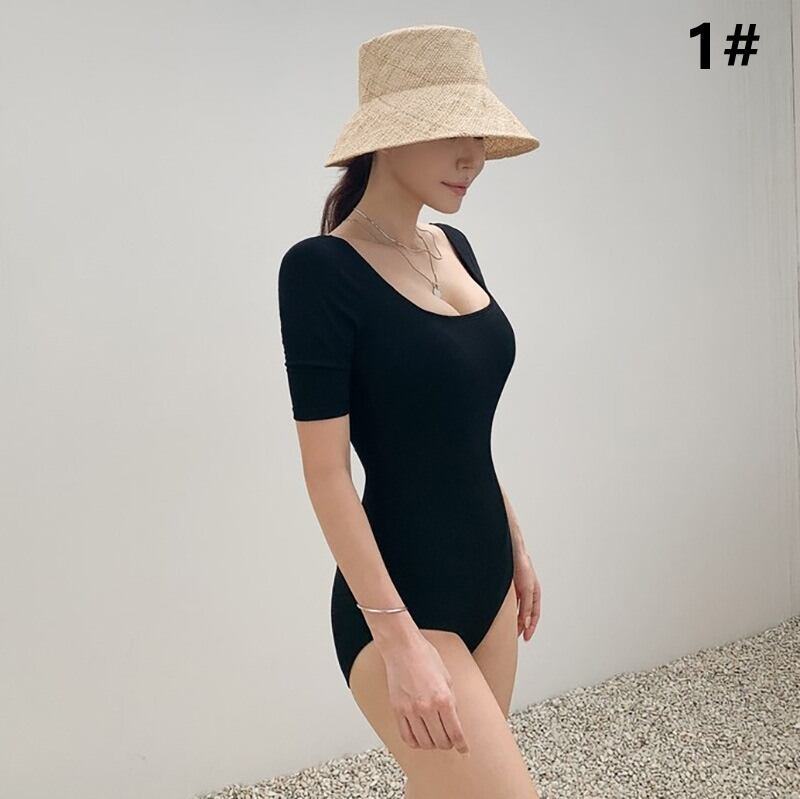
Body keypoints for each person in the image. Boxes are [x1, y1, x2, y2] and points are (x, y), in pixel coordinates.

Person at [278, 24, 544, 799]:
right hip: (400, 600)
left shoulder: (455, 248)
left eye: (480, 134)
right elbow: (326, 473)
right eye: (453, 131)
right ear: (389, 135)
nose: (473, 156)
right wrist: (397, 641)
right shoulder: (320, 271)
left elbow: (459, 430)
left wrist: (516, 541)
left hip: (489, 580)